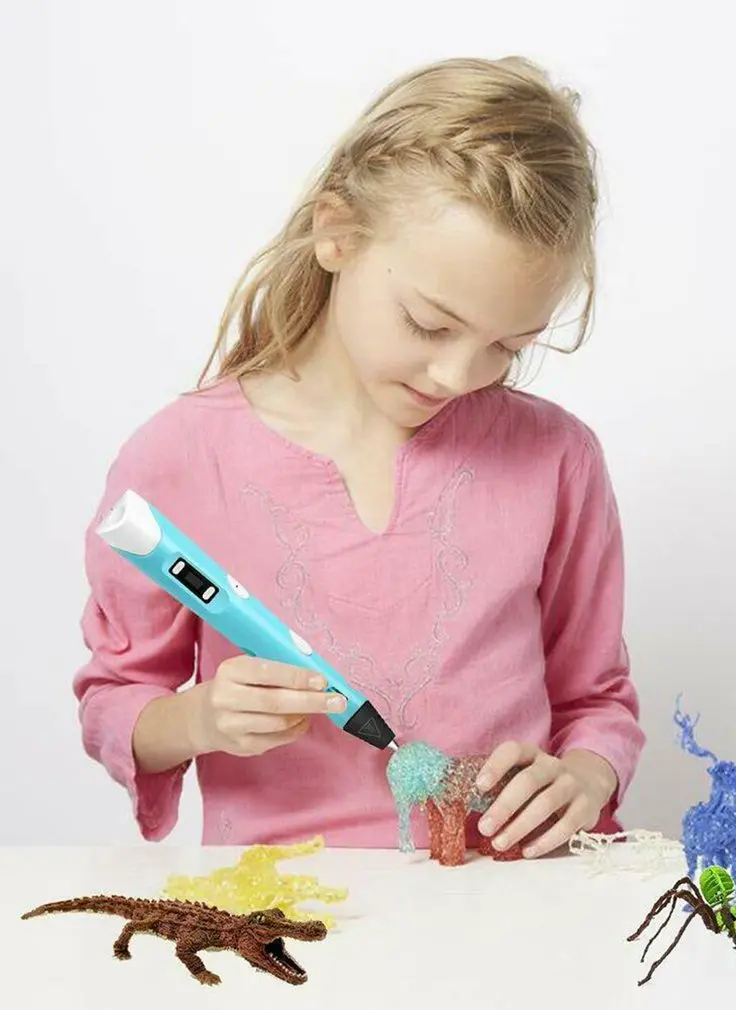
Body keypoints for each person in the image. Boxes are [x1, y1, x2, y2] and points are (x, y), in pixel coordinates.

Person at [74, 55, 645, 857]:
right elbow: (116, 703)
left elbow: (598, 701)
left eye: (506, 348)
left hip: (516, 897)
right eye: (428, 324)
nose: (457, 376)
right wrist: (200, 719)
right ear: (336, 233)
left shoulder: (557, 459)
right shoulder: (180, 458)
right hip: (286, 903)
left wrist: (585, 775)